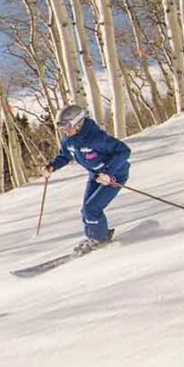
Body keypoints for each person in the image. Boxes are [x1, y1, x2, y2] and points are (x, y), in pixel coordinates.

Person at [46, 103, 131, 255]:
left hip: (115, 175)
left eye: (66, 125)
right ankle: (95, 235)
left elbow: (123, 151)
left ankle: (100, 239)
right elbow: (65, 155)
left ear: (78, 123)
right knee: (86, 209)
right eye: (61, 126)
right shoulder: (68, 140)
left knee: (91, 208)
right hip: (95, 175)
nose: (64, 130)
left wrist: (108, 172)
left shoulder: (96, 138)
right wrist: (51, 166)